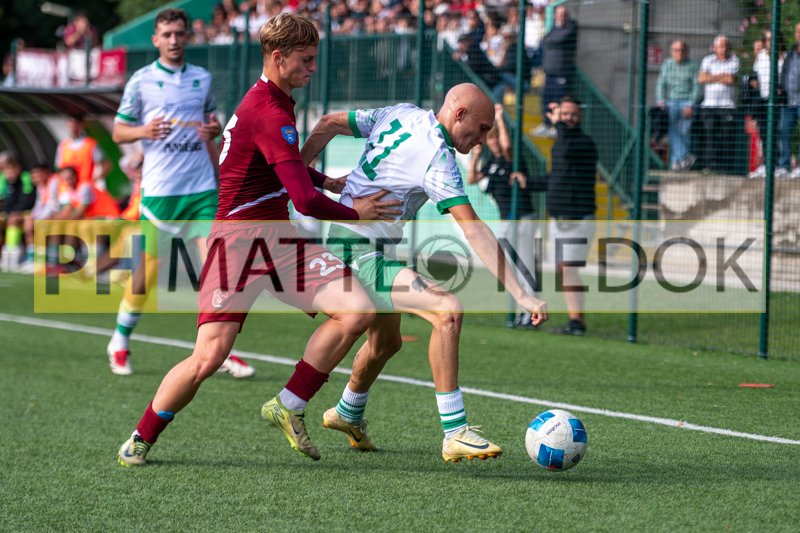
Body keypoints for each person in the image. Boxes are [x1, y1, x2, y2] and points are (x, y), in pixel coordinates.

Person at [115, 13, 401, 467]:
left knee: (356, 310)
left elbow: (279, 165)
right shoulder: (269, 110)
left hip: (278, 238)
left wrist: (327, 181)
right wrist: (356, 212)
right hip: (238, 244)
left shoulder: (272, 100)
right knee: (209, 356)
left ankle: (288, 404)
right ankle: (140, 438)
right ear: (278, 57)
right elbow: (303, 200)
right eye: (306, 60)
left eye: (314, 59)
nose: (313, 68)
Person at [299, 83, 548, 462]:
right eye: (482, 128)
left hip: (360, 244)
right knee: (447, 310)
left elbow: (329, 122)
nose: (482, 140)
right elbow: (474, 229)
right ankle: (455, 432)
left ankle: (347, 412)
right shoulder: (437, 156)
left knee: (386, 343)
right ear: (459, 114)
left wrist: (300, 172)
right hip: (354, 249)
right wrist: (522, 294)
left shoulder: (401, 113)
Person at [106, 8, 254, 379]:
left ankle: (220, 350)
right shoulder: (141, 80)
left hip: (201, 189)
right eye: (167, 34)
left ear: (188, 36)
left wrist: (214, 135)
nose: (174, 40)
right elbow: (119, 131)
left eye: (179, 33)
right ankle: (119, 340)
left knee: (217, 271)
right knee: (146, 274)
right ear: (156, 40)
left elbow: (211, 126)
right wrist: (143, 131)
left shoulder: (202, 78)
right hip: (161, 193)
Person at [468, 103, 538, 327]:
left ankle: (531, 311)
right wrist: (476, 155)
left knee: (525, 263)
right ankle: (522, 311)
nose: (495, 142)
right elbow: (471, 178)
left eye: (496, 138)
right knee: (513, 266)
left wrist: (499, 117)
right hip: (506, 218)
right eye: (491, 139)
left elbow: (508, 147)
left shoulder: (511, 159)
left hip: (522, 217)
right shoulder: (492, 163)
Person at [544, 96, 597, 336]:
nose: (568, 118)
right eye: (564, 114)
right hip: (559, 218)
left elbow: (566, 149)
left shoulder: (584, 143)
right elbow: (556, 178)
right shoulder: (560, 142)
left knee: (568, 268)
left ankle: (577, 321)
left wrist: (557, 124)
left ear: (580, 116)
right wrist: (528, 182)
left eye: (572, 114)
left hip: (578, 219)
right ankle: (575, 319)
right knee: (563, 269)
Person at [532, 5, 577, 137]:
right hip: (549, 72)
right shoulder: (554, 28)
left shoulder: (571, 27)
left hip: (562, 73)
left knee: (559, 100)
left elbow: (557, 39)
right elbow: (546, 40)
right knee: (547, 99)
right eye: (558, 14)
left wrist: (549, 40)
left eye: (563, 14)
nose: (561, 17)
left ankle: (558, 127)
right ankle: (546, 124)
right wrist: (549, 40)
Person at [697, 35, 739, 174]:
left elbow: (731, 79)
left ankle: (726, 168)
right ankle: (709, 166)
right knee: (710, 135)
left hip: (727, 106)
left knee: (727, 136)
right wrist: (722, 76)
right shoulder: (707, 60)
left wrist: (711, 77)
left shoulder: (734, 60)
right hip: (709, 105)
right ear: (714, 48)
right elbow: (701, 78)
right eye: (720, 46)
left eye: (725, 46)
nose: (723, 49)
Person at [656, 39, 700, 171]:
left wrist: (691, 104)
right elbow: (661, 83)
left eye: (681, 50)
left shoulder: (693, 66)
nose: (679, 53)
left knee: (684, 130)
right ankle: (685, 157)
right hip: (671, 101)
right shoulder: (667, 64)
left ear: (686, 52)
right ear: (671, 52)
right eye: (676, 50)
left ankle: (677, 161)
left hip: (687, 101)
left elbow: (697, 87)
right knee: (672, 129)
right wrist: (660, 100)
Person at [748, 30, 784, 179]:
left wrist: (781, 89)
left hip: (778, 102)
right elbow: (754, 75)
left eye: (773, 39)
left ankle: (778, 165)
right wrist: (753, 82)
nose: (770, 42)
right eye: (768, 40)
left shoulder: (784, 58)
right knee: (764, 134)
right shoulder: (761, 56)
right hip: (762, 102)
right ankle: (768, 165)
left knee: (778, 133)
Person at [0, 156, 36, 272]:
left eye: (12, 170)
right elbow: (2, 200)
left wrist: (13, 212)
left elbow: (28, 200)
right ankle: (6, 255)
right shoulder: (4, 181)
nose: (10, 173)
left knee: (14, 220)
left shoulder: (25, 179)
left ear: (18, 169)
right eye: (7, 170)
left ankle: (14, 255)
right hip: (10, 212)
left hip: (26, 211)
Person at [54, 112, 108, 188]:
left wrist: (95, 180)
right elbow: (59, 169)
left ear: (82, 125)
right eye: (71, 123)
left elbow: (106, 164)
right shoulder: (62, 146)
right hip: (67, 189)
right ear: (67, 124)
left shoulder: (90, 144)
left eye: (76, 123)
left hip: (84, 188)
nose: (74, 126)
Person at [778, 22, 800, 178]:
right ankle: (784, 166)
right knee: (783, 132)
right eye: (798, 31)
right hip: (788, 101)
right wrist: (780, 88)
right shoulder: (791, 53)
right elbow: (784, 73)